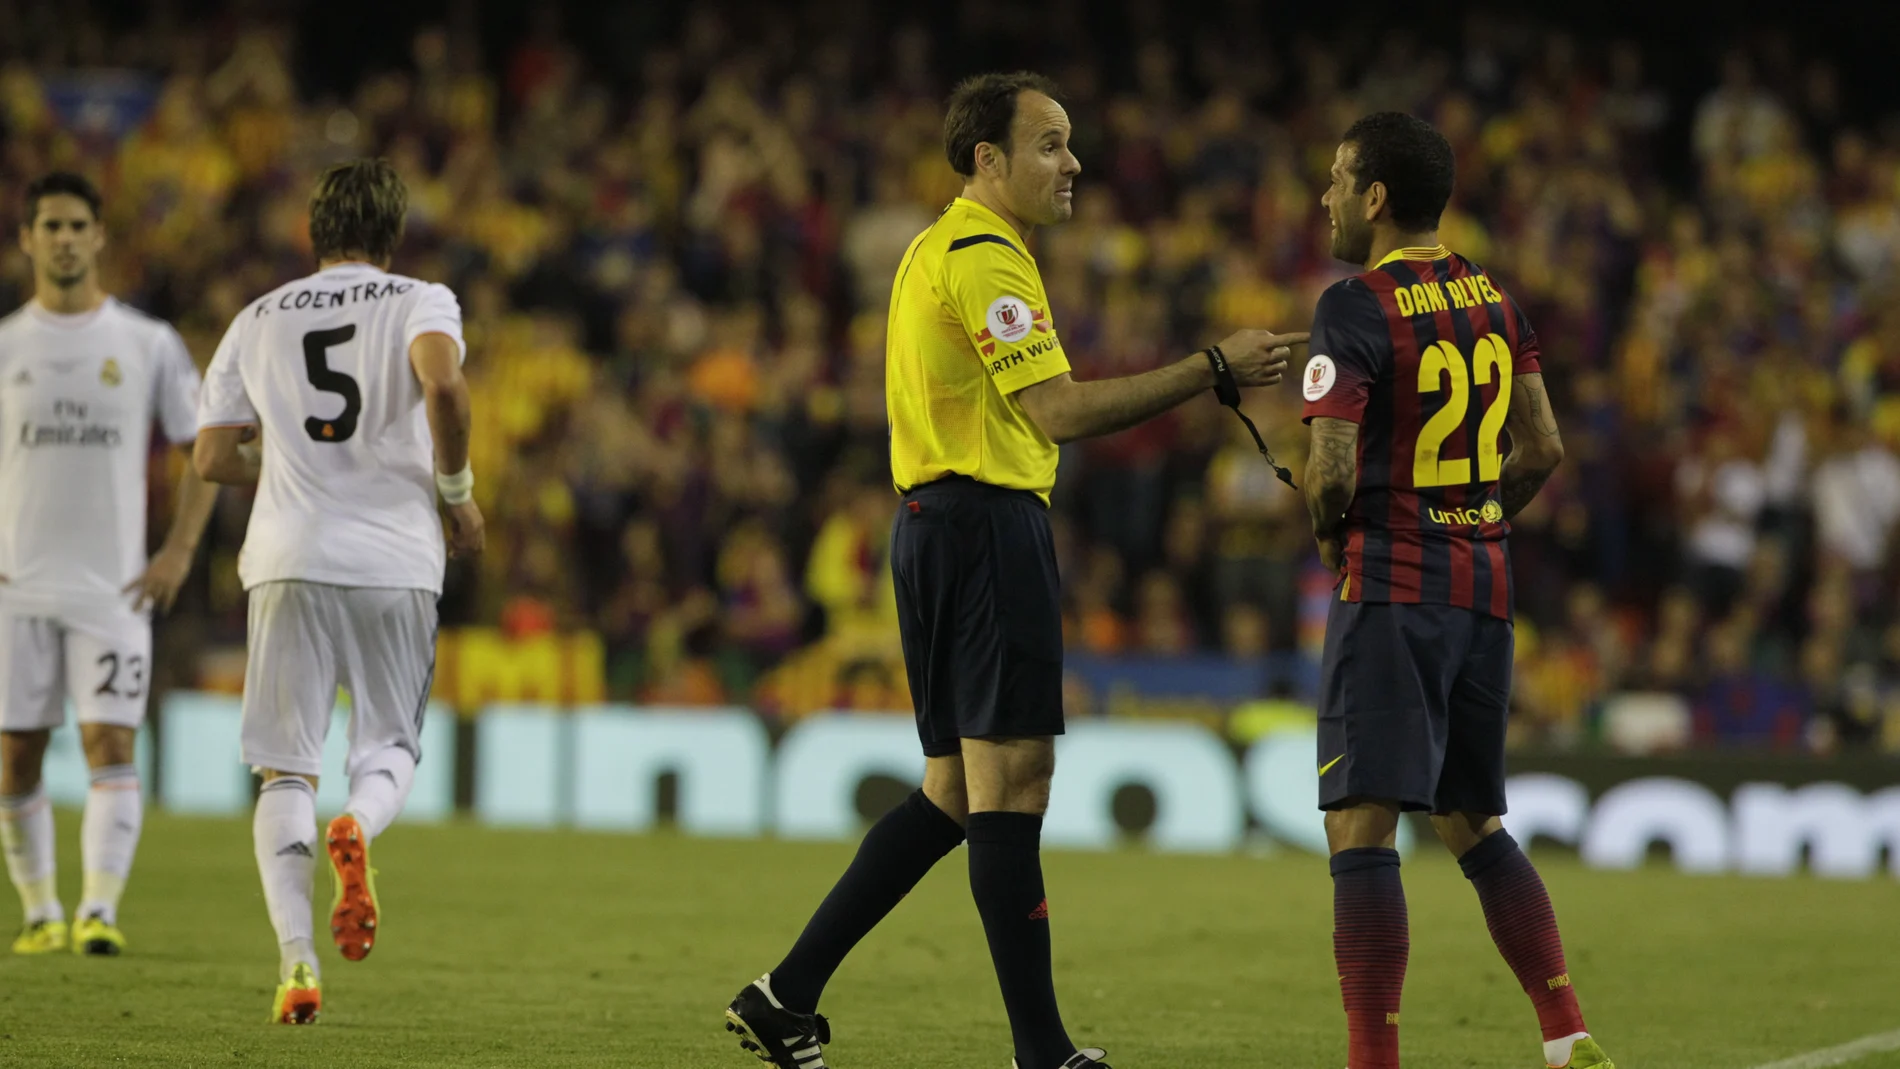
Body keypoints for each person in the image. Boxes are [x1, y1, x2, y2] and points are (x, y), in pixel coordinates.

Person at [724, 71, 1304, 1069]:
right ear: (988, 160)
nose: (1072, 161)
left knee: (955, 788)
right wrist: (1211, 367)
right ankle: (1041, 1053)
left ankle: (786, 994)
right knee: (1012, 782)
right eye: (1048, 143)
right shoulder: (987, 259)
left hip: (938, 522)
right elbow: (1059, 413)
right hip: (984, 525)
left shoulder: (933, 247)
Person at [1300, 112, 1614, 1069]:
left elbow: (1330, 469)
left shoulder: (1354, 305)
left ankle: (1373, 1060)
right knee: (1473, 821)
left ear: (1376, 196)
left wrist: (1330, 535)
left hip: (1392, 587)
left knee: (1361, 823)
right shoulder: (1494, 298)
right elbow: (1545, 446)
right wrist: (1474, 516)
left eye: (1338, 179)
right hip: (1483, 586)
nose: (1327, 197)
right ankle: (1567, 1032)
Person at [193, 159, 483, 1024]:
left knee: (285, 766)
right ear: (395, 234)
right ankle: (356, 820)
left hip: (284, 556)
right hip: (393, 557)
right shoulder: (419, 299)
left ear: (311, 233)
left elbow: (210, 456)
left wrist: (279, 456)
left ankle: (295, 962)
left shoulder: (257, 317)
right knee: (390, 745)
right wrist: (460, 496)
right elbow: (444, 384)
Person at [0, 172, 219, 958]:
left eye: (76, 225)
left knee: (109, 744)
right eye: (49, 225)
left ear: (99, 237)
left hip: (113, 587)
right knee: (16, 755)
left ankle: (97, 908)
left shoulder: (145, 343)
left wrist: (179, 551)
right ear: (27, 238)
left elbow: (208, 447)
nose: (63, 238)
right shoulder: (6, 347)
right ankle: (38, 911)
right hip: (16, 589)